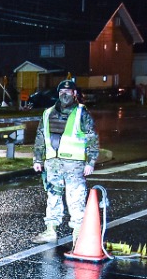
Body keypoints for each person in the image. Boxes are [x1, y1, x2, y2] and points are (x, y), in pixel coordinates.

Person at [31, 79, 99, 242]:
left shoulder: (82, 113)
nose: (64, 94)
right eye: (62, 91)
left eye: (68, 91)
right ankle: (50, 230)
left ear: (74, 93)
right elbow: (40, 137)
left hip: (74, 164)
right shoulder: (48, 113)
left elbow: (92, 138)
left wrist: (90, 162)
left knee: (75, 198)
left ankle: (78, 235)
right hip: (53, 163)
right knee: (53, 196)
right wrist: (38, 159)